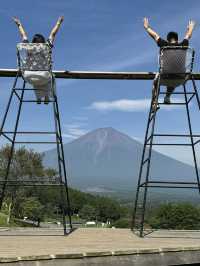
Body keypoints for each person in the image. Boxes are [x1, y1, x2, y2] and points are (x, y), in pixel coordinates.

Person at [143, 18, 196, 111]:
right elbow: (188, 35)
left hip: (165, 78)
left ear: (167, 39)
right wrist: (190, 28)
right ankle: (167, 97)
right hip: (181, 80)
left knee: (156, 81)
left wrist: (147, 28)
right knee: (173, 75)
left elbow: (155, 35)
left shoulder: (164, 45)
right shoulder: (184, 45)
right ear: (177, 39)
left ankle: (155, 103)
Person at [13, 16, 64, 104]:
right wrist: (59, 22)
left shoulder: (27, 47)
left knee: (34, 76)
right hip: (44, 76)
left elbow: (23, 35)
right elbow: (53, 34)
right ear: (43, 41)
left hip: (28, 76)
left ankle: (38, 98)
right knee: (48, 76)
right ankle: (47, 96)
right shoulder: (46, 46)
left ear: (33, 41)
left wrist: (19, 24)